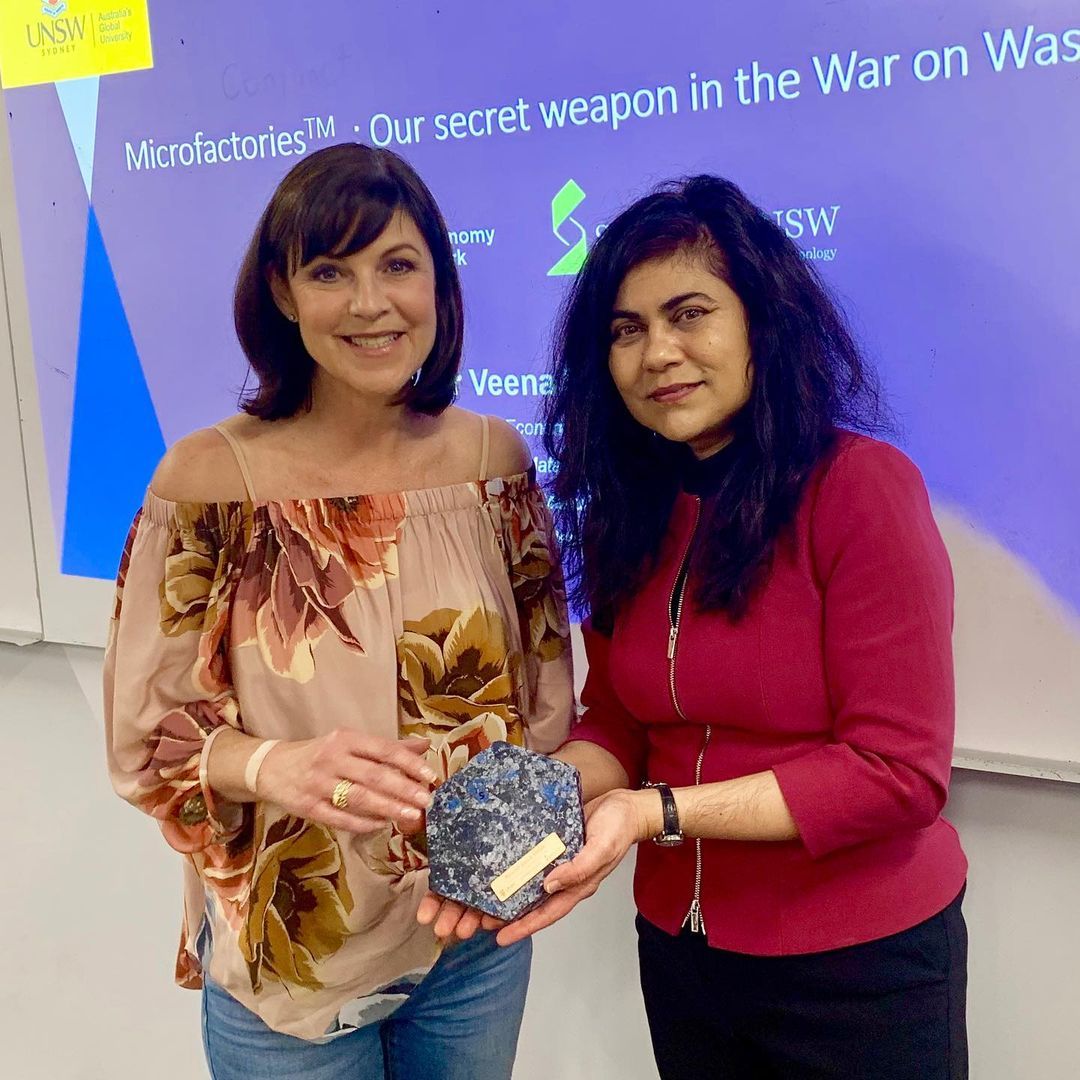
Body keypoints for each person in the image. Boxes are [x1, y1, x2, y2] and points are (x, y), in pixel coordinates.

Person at [103, 142, 573, 1079]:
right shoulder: (209, 479)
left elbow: (545, 707)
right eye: (330, 272)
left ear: (438, 285)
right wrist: (272, 763)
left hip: (473, 940)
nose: (369, 302)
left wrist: (518, 865)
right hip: (295, 960)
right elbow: (147, 740)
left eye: (397, 265)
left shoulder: (495, 463)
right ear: (282, 293)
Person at [501, 175, 969, 1078]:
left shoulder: (860, 489)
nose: (657, 353)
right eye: (626, 330)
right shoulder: (627, 512)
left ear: (764, 321)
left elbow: (898, 771)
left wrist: (657, 812)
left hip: (859, 964)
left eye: (689, 314)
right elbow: (622, 721)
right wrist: (527, 801)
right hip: (684, 956)